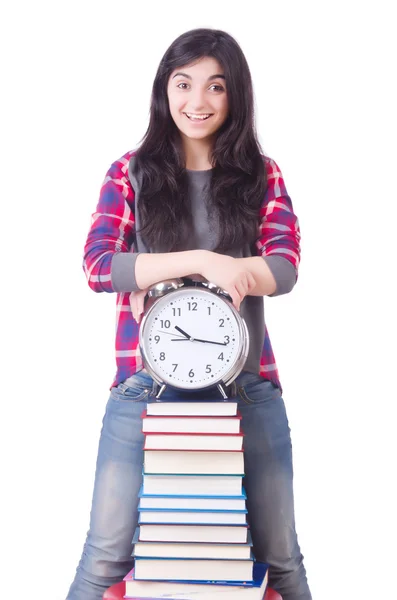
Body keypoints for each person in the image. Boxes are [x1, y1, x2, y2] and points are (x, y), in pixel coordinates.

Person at [66, 28, 312, 600]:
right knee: (104, 558)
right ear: (164, 90)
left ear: (235, 97)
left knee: (282, 558)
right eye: (184, 84)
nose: (197, 102)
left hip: (247, 388)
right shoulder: (129, 173)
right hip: (144, 388)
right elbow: (98, 267)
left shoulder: (262, 174)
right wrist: (209, 260)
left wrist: (236, 272)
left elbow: (286, 269)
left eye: (215, 87)